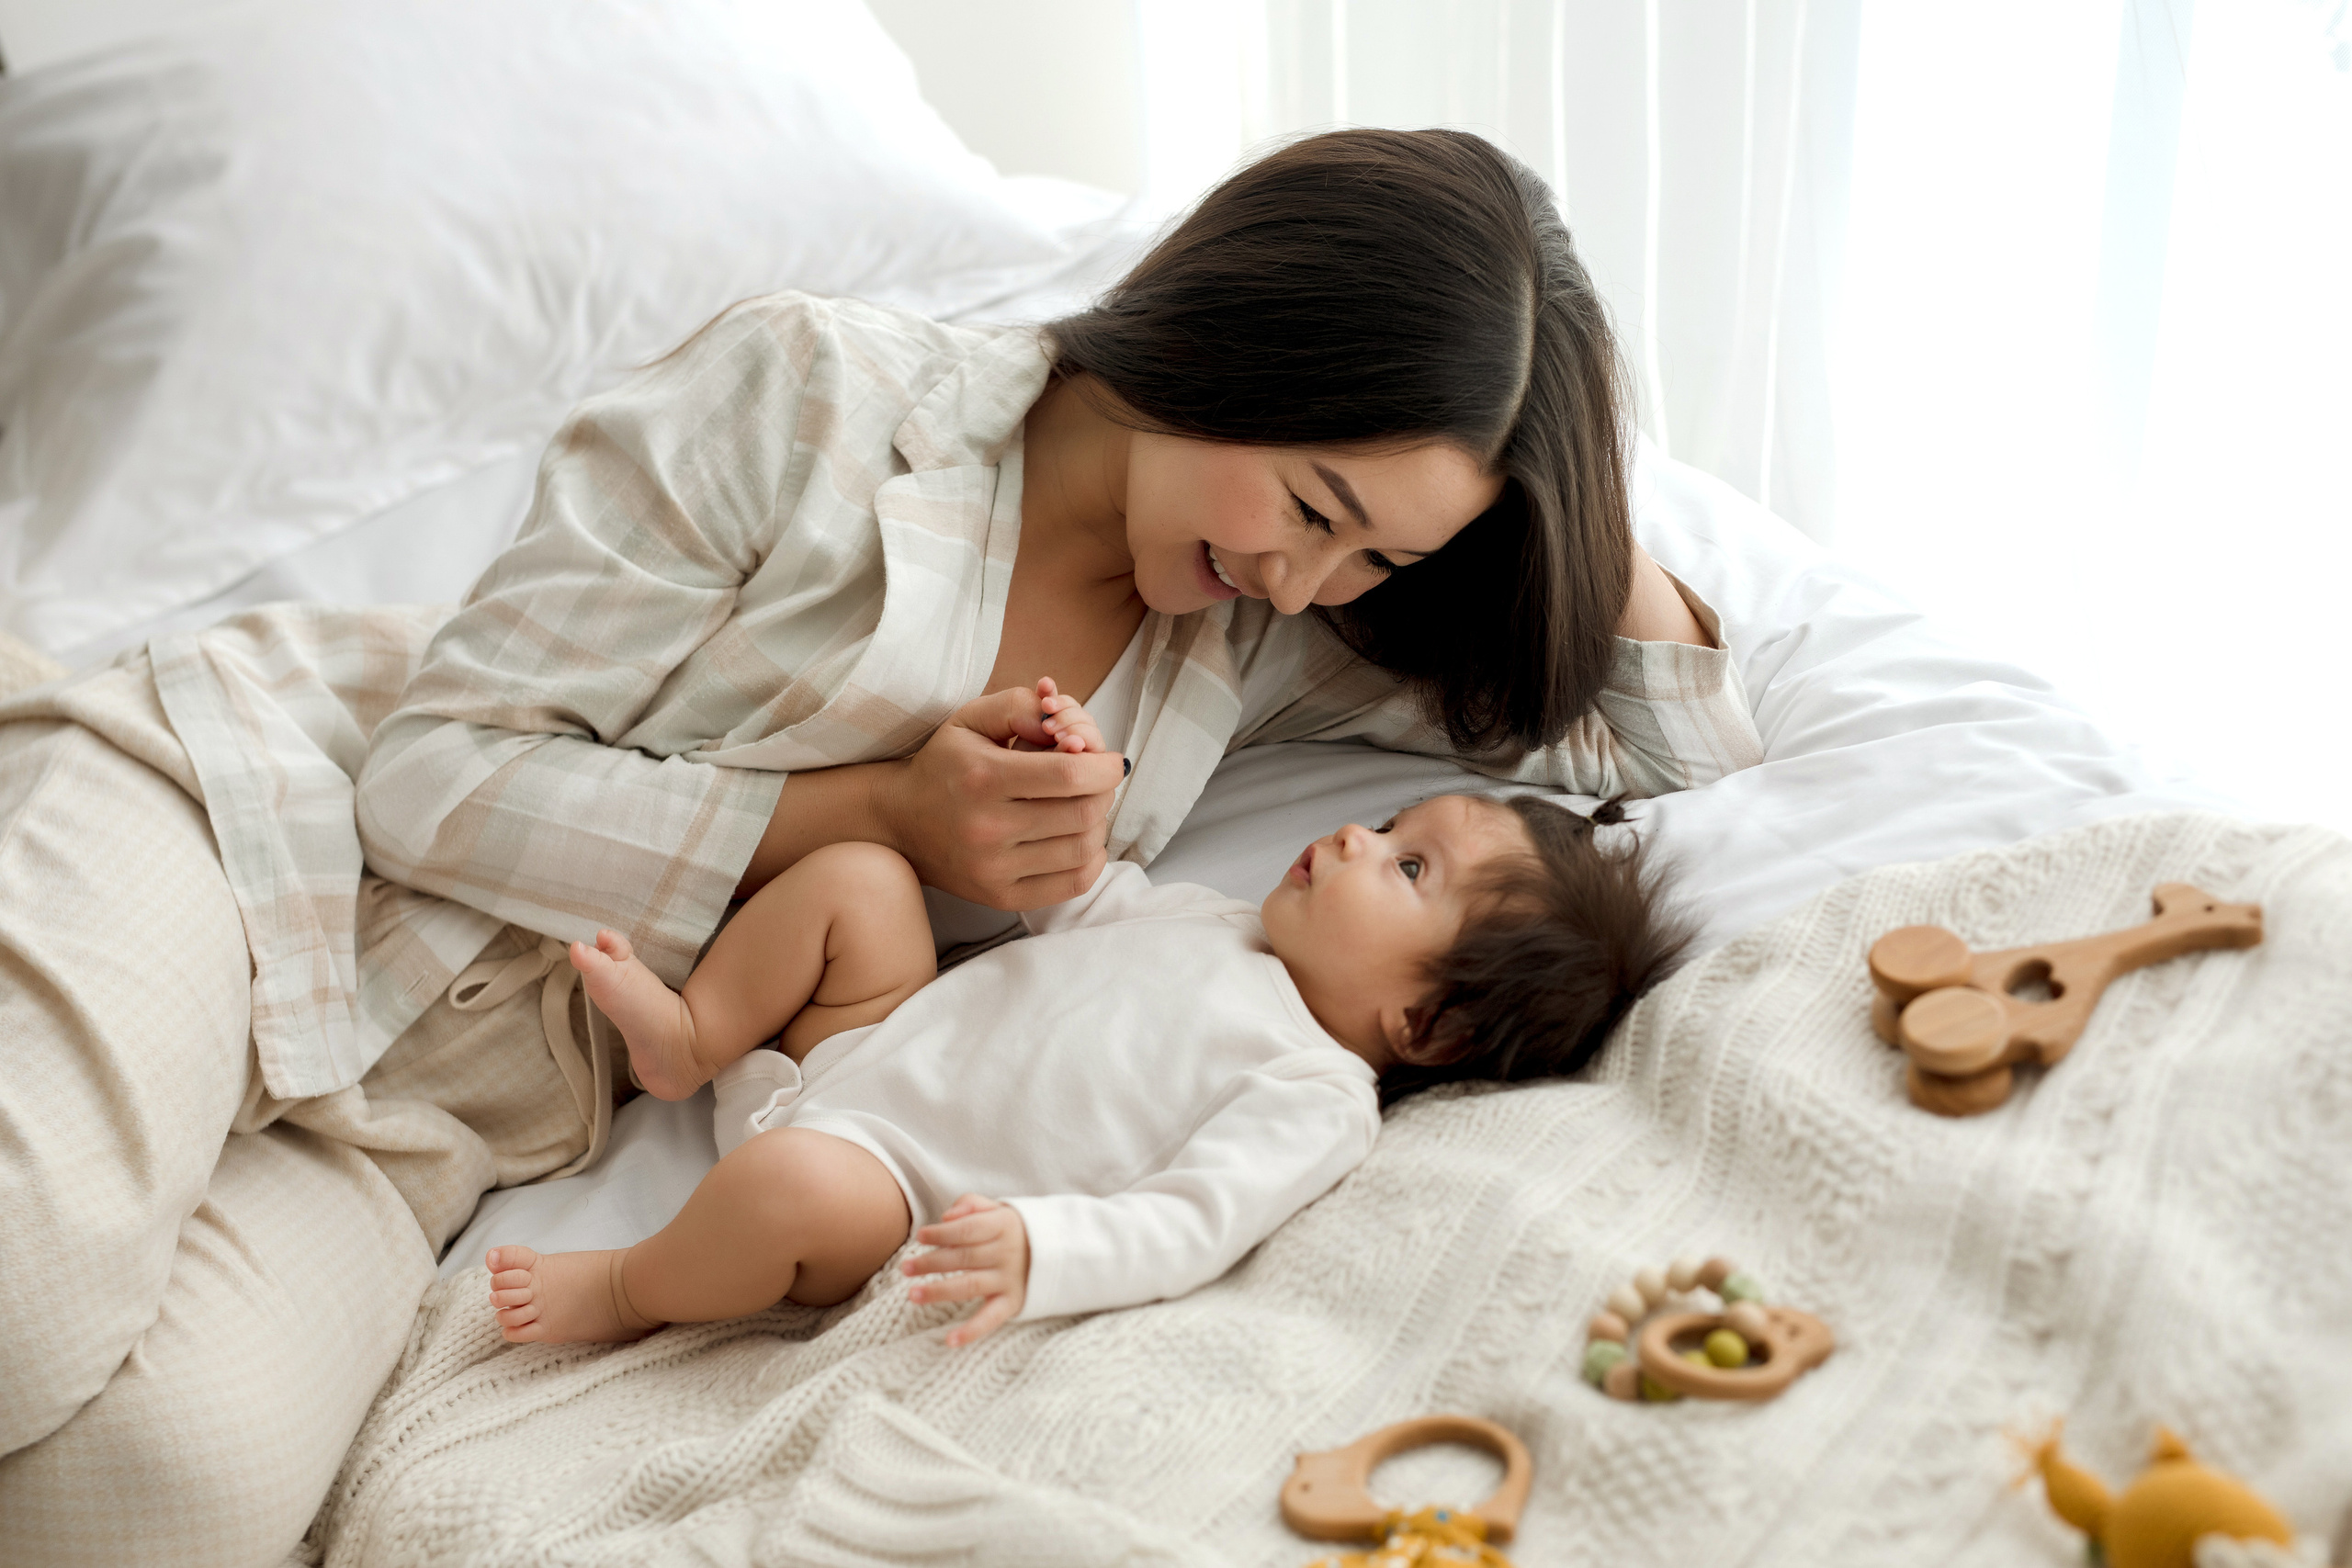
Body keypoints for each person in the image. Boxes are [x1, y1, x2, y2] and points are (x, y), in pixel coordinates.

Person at [0, 127, 1760, 1565]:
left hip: (453, 1101)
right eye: (1311, 510)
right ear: (1239, 340)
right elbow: (433, 782)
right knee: (20, 1287)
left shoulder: (1239, 638)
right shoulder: (815, 393)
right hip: (249, 833)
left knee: (150, 1501)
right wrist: (878, 817)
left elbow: (1674, 727)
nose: (1312, 583)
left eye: (1373, 564)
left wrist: (1540, 422)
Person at [483, 680, 1688, 1348]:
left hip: (888, 1184)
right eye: (1389, 824)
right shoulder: (1221, 924)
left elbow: (1191, 1223)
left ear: (1427, 1028)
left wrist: (1046, 1253)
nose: (1351, 838)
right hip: (867, 1035)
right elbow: (1078, 906)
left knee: (782, 1191)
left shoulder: (1313, 1098)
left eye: (1407, 870)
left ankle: (633, 1286)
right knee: (865, 881)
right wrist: (1078, 795)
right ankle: (693, 1043)